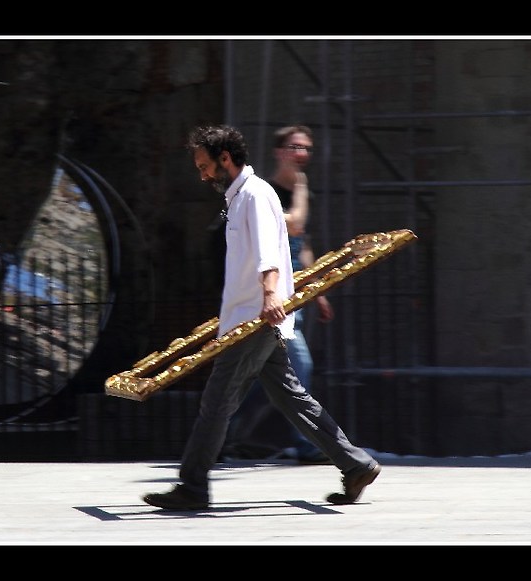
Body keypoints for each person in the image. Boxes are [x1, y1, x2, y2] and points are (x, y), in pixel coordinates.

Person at [142, 124, 381, 510]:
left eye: (205, 166)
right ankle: (355, 464)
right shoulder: (239, 197)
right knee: (291, 397)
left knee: (216, 401)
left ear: (225, 158)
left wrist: (271, 296)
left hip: (253, 320)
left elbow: (271, 249)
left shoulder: (254, 194)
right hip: (250, 317)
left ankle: (193, 486)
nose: (202, 175)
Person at [223, 125, 333, 464]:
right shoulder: (267, 192)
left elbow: (303, 245)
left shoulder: (299, 192)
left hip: (295, 295)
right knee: (301, 369)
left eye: (306, 148)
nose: (301, 154)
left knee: (262, 379)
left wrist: (319, 292)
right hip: (270, 296)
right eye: (294, 147)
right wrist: (300, 187)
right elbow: (294, 225)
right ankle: (308, 445)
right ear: (278, 151)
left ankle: (221, 435)